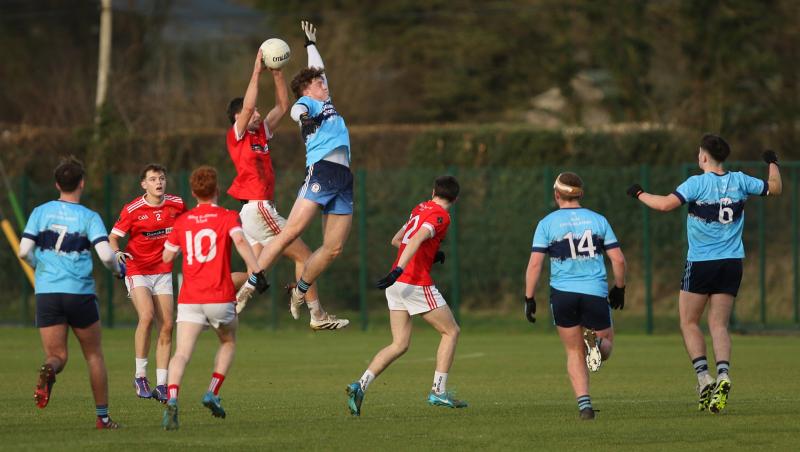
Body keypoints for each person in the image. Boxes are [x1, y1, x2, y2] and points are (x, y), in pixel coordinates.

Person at [627, 135, 782, 414]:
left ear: (704, 157)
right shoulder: (741, 180)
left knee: (688, 322)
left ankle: (703, 378)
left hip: (701, 263)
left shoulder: (697, 183)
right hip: (732, 262)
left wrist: (640, 193)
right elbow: (775, 188)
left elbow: (664, 205)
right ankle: (723, 374)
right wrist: (772, 163)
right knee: (719, 325)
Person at [237, 21, 352, 329]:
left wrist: (309, 45)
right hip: (322, 171)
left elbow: (319, 69)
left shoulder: (325, 100)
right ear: (306, 89)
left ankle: (300, 291)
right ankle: (250, 284)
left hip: (343, 178)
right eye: (319, 83)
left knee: (333, 248)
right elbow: (293, 111)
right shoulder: (307, 102)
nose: (325, 85)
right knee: (289, 234)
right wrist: (304, 119)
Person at [18, 156, 124, 429]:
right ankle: (102, 418)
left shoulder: (40, 212)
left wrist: (38, 267)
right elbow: (105, 254)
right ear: (82, 183)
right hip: (79, 293)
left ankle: (49, 370)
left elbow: (23, 251)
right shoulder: (89, 217)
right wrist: (118, 269)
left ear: (57, 184)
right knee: (94, 355)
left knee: (57, 356)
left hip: (48, 293)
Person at [346, 176, 466, 416]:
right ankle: (438, 391)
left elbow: (398, 240)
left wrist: (430, 256)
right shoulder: (442, 216)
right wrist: (401, 268)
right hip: (414, 282)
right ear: (456, 198)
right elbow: (419, 237)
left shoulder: (420, 207)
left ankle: (360, 385)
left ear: (433, 191)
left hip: (397, 285)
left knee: (399, 344)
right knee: (451, 331)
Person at [160, 166, 260, 430]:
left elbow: (167, 257)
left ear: (193, 193)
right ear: (217, 191)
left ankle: (172, 398)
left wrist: (180, 246)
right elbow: (240, 243)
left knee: (181, 353)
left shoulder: (183, 221)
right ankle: (212, 391)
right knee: (227, 342)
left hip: (190, 298)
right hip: (219, 297)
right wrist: (256, 270)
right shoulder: (228, 216)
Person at [525, 172, 626, 421]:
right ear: (581, 194)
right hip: (594, 292)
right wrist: (619, 287)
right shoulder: (599, 220)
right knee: (607, 347)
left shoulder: (546, 223)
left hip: (563, 294)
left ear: (556, 195)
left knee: (573, 351)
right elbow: (618, 259)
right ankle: (597, 344)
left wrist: (529, 297)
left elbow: (535, 264)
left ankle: (585, 406)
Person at [109, 164, 184, 402]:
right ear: (144, 184)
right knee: (147, 316)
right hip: (137, 269)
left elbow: (185, 227)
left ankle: (162, 384)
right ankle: (140, 376)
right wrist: (117, 252)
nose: (158, 183)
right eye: (152, 179)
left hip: (163, 270)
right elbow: (113, 237)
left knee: (168, 325)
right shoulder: (133, 209)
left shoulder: (177, 204)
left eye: (161, 178)